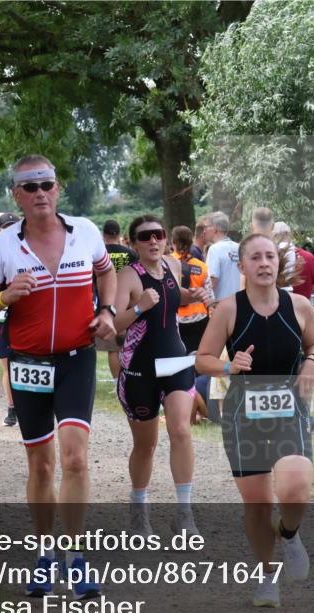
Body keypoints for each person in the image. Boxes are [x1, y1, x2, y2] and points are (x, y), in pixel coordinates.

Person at [0, 154, 117, 599]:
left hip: (75, 358)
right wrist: (4, 298)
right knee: (42, 463)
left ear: (58, 189)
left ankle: (76, 558)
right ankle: (43, 555)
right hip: (29, 362)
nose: (40, 194)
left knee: (74, 457)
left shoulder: (85, 232)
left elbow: (106, 271)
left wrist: (107, 310)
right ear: (16, 194)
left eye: (47, 185)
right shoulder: (4, 247)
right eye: (29, 187)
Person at [196, 232, 314, 607]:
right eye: (256, 258)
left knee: (296, 489)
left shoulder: (300, 306)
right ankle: (267, 576)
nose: (264, 263)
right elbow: (202, 359)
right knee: (258, 504)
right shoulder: (228, 309)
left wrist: (312, 362)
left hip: (289, 409)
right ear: (242, 267)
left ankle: (289, 533)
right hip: (242, 415)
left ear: (278, 264)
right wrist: (228, 364)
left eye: (270, 257)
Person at [113, 215, 211, 537]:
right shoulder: (127, 276)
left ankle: (184, 514)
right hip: (140, 367)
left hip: (175, 360)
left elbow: (173, 295)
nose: (153, 241)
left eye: (158, 234)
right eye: (145, 237)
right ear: (133, 243)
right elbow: (114, 325)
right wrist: (139, 307)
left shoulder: (173, 264)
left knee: (181, 430)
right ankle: (138, 508)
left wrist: (193, 296)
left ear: (166, 238)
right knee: (147, 444)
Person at [0, 212, 21, 425]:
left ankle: (34, 406)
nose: (11, 231)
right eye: (6, 227)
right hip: (0, 314)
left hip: (25, 315)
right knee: (7, 365)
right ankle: (12, 408)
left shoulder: (34, 250)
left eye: (14, 227)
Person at [97, 219, 138, 379]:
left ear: (104, 234)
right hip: (128, 303)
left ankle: (117, 381)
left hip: (106, 302)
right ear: (119, 233)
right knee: (130, 342)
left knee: (113, 348)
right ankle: (131, 376)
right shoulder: (130, 253)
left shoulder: (100, 253)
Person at [171, 225, 213, 354]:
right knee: (197, 358)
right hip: (200, 319)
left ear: (173, 242)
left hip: (175, 320)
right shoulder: (202, 266)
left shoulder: (166, 263)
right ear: (191, 242)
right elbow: (210, 296)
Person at [205, 212, 241, 302]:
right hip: (239, 303)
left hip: (221, 305)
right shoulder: (239, 247)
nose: (204, 230)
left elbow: (212, 281)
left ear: (215, 228)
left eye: (206, 227)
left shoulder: (214, 249)